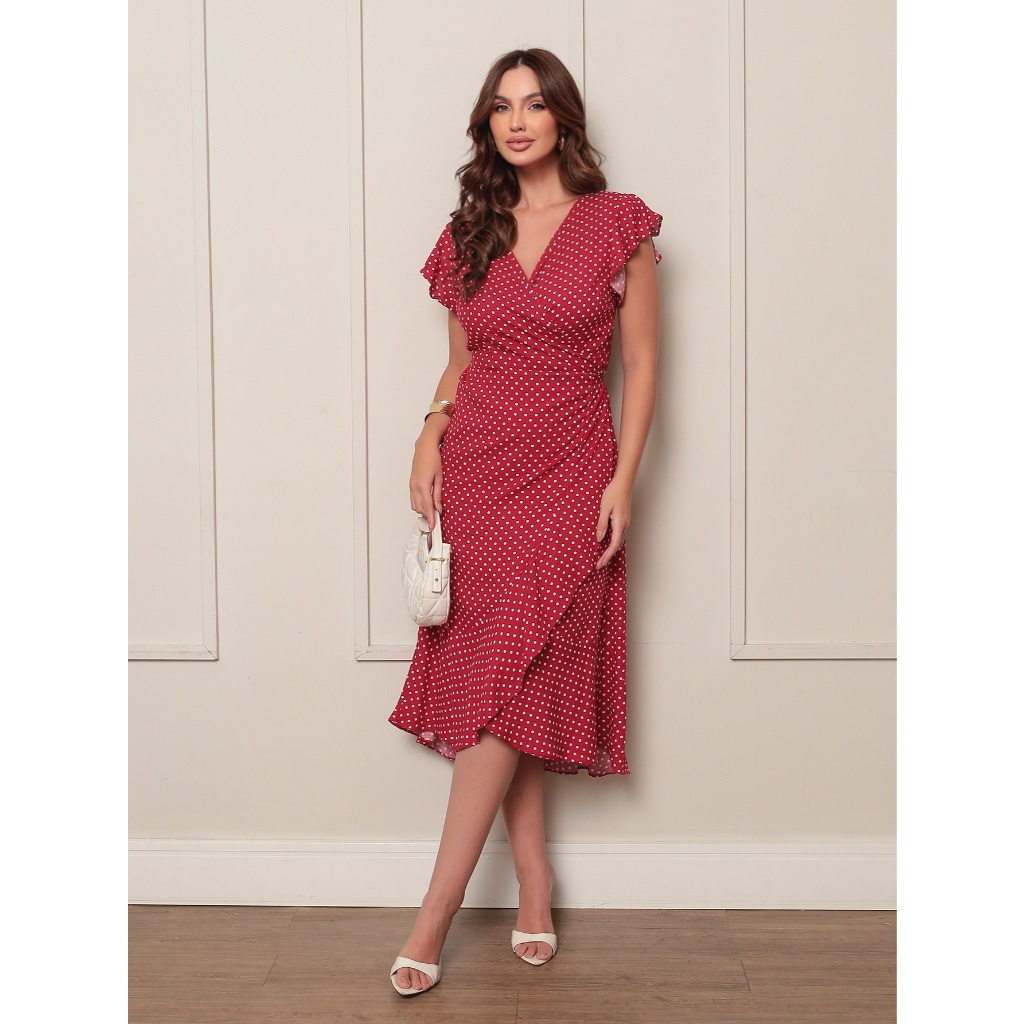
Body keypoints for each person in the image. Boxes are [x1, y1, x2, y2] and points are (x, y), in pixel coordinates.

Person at [387, 47, 662, 996]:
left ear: (562, 120)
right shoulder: (470, 233)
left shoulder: (618, 225)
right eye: (501, 107)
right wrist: (429, 437)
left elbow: (643, 367)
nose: (516, 121)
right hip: (479, 470)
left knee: (512, 667)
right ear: (487, 125)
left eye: (534, 105)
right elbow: (461, 364)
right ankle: (535, 881)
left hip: (574, 470)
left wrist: (624, 481)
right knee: (515, 679)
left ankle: (436, 911)